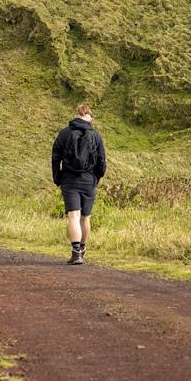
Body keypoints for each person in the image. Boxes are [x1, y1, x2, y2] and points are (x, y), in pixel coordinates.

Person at [51, 104, 107, 265]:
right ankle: (82, 249)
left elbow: (55, 158)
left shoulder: (64, 133)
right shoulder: (96, 135)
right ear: (90, 117)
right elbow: (102, 161)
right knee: (85, 217)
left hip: (69, 179)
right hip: (89, 180)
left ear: (76, 115)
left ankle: (76, 254)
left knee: (73, 216)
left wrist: (58, 178)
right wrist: (97, 178)